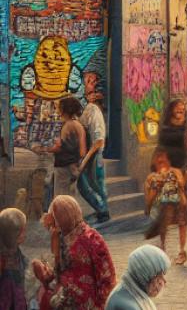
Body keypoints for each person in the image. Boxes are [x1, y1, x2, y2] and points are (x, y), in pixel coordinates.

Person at [33, 195, 116, 310]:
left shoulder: (92, 238)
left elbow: (107, 278)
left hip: (89, 304)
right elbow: (58, 271)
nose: (53, 226)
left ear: (64, 218)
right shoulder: (60, 237)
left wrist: (100, 305)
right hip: (64, 300)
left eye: (56, 219)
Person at [143, 149, 187, 265]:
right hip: (164, 204)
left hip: (178, 202)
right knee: (163, 227)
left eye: (163, 158)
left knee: (182, 224)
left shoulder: (175, 171)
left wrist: (178, 182)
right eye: (158, 160)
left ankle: (182, 252)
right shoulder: (152, 177)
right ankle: (163, 249)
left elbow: (182, 183)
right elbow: (150, 194)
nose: (160, 161)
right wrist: (148, 207)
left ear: (168, 160)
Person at [104, 244, 170, 310]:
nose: (163, 282)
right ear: (143, 276)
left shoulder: (133, 288)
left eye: (163, 274)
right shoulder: (127, 305)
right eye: (158, 277)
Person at [79, 87, 110, 223]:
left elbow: (98, 141)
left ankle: (102, 210)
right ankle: (103, 211)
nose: (89, 95)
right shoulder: (93, 110)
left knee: (87, 184)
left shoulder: (92, 110)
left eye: (92, 92)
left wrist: (85, 160)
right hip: (96, 153)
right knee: (97, 183)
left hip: (94, 154)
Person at [48, 97, 87, 201]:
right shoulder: (78, 125)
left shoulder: (67, 125)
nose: (57, 111)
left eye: (59, 108)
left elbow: (59, 147)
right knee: (70, 198)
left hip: (63, 167)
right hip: (73, 166)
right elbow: (83, 151)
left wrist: (46, 149)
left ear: (64, 110)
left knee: (60, 198)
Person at [0, 207, 34, 310]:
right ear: (13, 235)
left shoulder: (15, 252)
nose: (25, 233)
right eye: (23, 230)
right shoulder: (4, 262)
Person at [157, 99, 187, 171]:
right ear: (171, 110)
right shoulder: (165, 125)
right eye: (177, 108)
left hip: (182, 161)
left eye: (183, 109)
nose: (180, 110)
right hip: (167, 161)